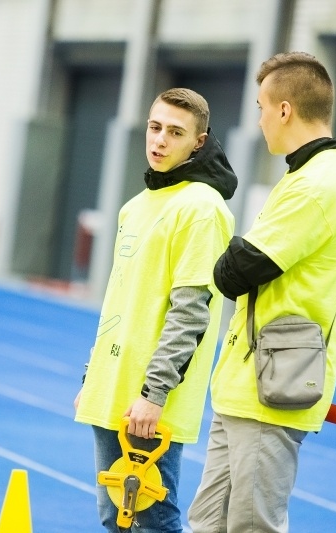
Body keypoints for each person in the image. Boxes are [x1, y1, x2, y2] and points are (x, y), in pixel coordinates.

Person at [188, 52, 336, 532]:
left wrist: (228, 250)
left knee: (253, 526)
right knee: (208, 523)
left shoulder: (318, 186)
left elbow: (234, 272)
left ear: (284, 109)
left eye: (262, 105)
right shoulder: (302, 177)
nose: (259, 117)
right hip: (247, 383)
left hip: (272, 386)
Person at [74, 87, 237, 533]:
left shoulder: (203, 209)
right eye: (155, 127)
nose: (160, 140)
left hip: (151, 399)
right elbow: (121, 300)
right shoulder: (135, 206)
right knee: (115, 518)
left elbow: (191, 311)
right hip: (113, 386)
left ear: (198, 142)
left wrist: (153, 394)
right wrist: (93, 377)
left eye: (175, 132)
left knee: (153, 520)